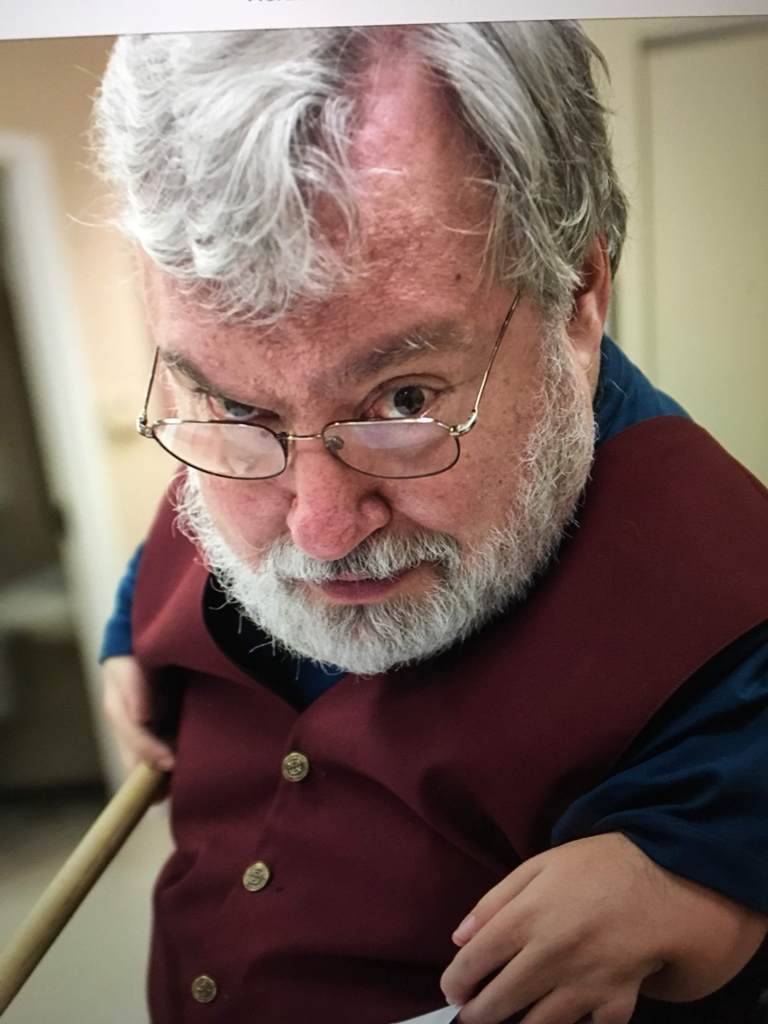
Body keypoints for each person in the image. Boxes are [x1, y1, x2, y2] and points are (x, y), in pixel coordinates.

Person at [93, 21, 768, 1024]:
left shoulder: (735, 616)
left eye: (403, 400)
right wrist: (126, 636)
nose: (319, 530)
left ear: (578, 298)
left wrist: (707, 885)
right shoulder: (226, 460)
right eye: (238, 409)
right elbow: (175, 544)